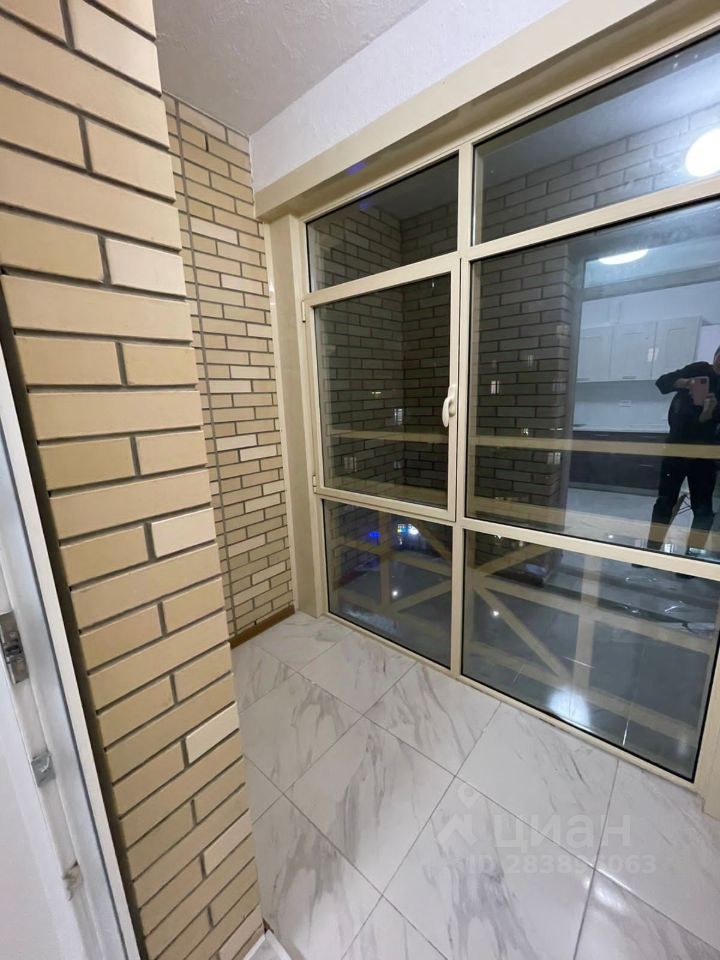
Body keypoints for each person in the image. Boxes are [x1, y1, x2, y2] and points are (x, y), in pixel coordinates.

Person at [648, 348, 720, 554]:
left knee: (702, 507)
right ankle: (651, 550)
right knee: (664, 501)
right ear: (715, 355)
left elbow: (708, 426)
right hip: (676, 447)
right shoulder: (698, 369)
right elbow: (662, 383)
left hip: (705, 455)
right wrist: (687, 382)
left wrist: (708, 412)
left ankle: (692, 557)